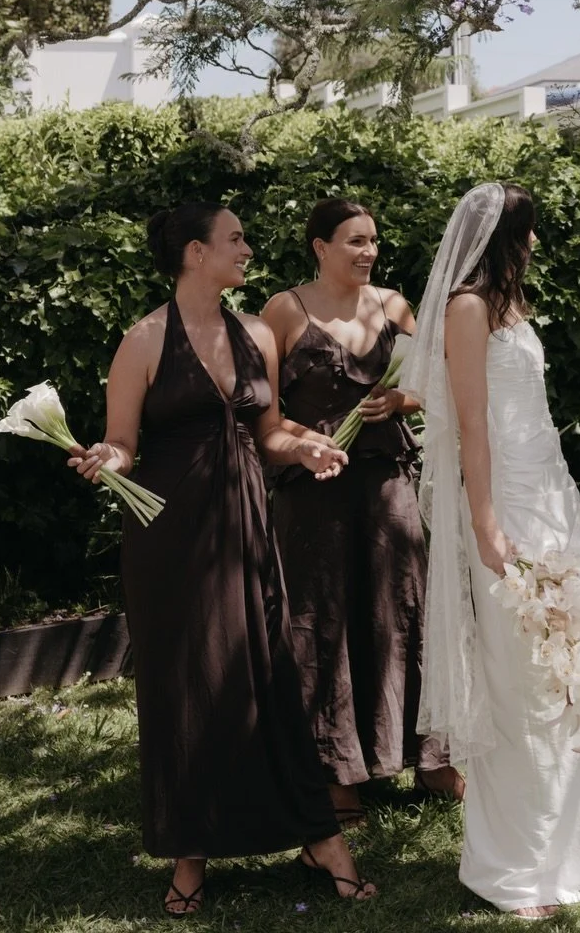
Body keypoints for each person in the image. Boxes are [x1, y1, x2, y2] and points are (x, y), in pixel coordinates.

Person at [68, 203, 376, 915]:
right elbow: (123, 443)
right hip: (171, 541)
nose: (247, 247)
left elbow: (267, 430)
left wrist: (301, 446)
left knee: (270, 679)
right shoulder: (142, 340)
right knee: (186, 691)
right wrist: (101, 458)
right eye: (234, 238)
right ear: (193, 252)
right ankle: (189, 855)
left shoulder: (257, 334)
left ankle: (318, 838)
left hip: (248, 531)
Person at [403, 181, 580, 919]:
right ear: (504, 237)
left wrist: (568, 491)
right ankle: (523, 861)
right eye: (532, 232)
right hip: (504, 505)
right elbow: (470, 427)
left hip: (550, 498)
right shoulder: (466, 307)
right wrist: (484, 521)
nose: (539, 244)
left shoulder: (511, 308)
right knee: (527, 678)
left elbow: (534, 416)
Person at [262, 198, 463, 822]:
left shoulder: (394, 305)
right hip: (315, 492)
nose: (368, 252)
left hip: (386, 486)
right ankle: (337, 771)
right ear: (319, 247)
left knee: (400, 609)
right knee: (322, 621)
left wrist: (400, 398)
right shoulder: (283, 310)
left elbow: (439, 382)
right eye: (354, 241)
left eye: (373, 240)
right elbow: (262, 412)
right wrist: (309, 441)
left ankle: (427, 757)